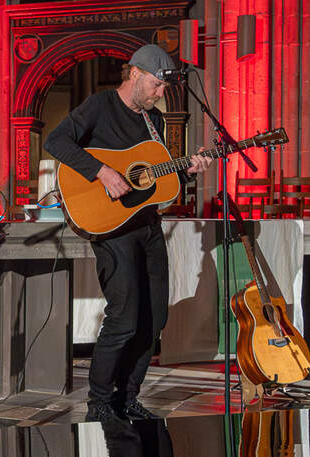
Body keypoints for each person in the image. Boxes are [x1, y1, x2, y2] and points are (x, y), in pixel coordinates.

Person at [44, 43, 209, 423]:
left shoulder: (156, 122)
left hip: (147, 225)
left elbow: (155, 178)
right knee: (124, 317)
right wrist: (102, 171)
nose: (159, 93)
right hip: (112, 227)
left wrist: (188, 169)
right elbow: (57, 141)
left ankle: (129, 396)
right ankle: (100, 401)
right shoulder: (101, 106)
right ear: (134, 73)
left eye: (164, 87)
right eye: (155, 84)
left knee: (154, 320)